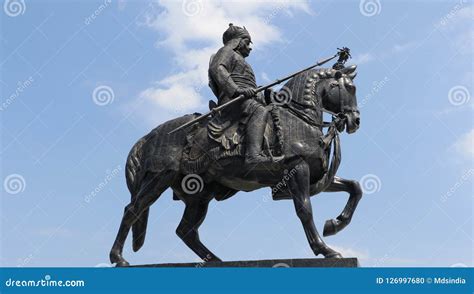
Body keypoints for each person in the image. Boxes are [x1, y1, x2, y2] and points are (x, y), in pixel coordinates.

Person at [208, 24, 282, 164]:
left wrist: (261, 92)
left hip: (245, 98)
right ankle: (252, 155)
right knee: (259, 111)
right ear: (237, 41)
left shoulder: (240, 60)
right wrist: (236, 90)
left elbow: (248, 85)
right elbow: (217, 69)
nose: (249, 47)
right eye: (247, 43)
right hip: (233, 99)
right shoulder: (226, 52)